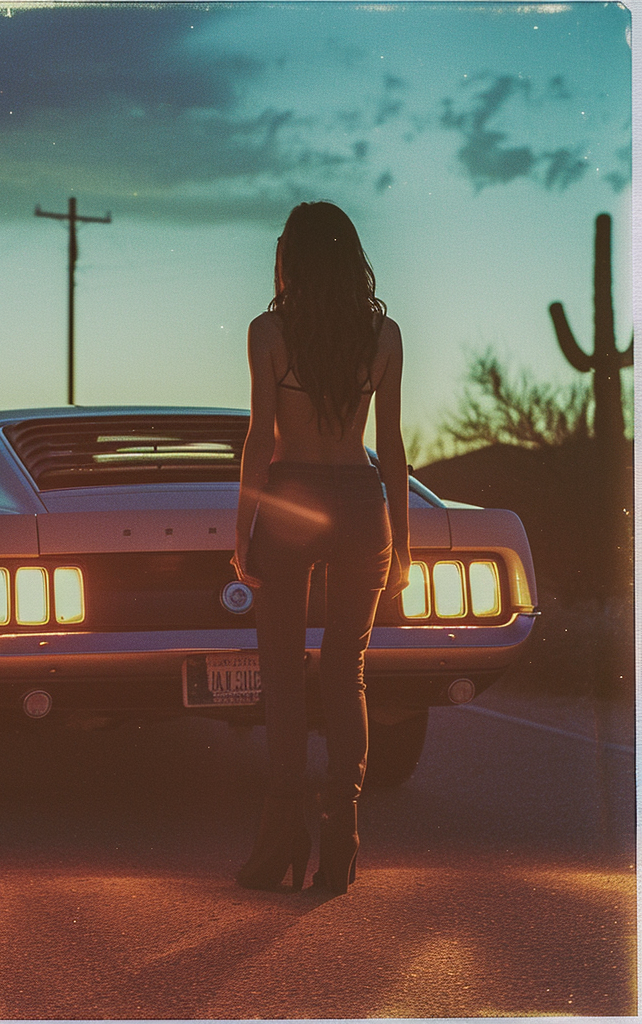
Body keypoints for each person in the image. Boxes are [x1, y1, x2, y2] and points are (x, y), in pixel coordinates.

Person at [231, 201, 410, 894]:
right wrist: (404, 538)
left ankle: (280, 843)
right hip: (363, 503)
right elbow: (390, 444)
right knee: (347, 672)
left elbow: (259, 438)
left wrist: (242, 529)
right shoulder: (384, 334)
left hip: (291, 502)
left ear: (294, 258)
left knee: (281, 675)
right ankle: (341, 838)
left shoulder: (268, 331)